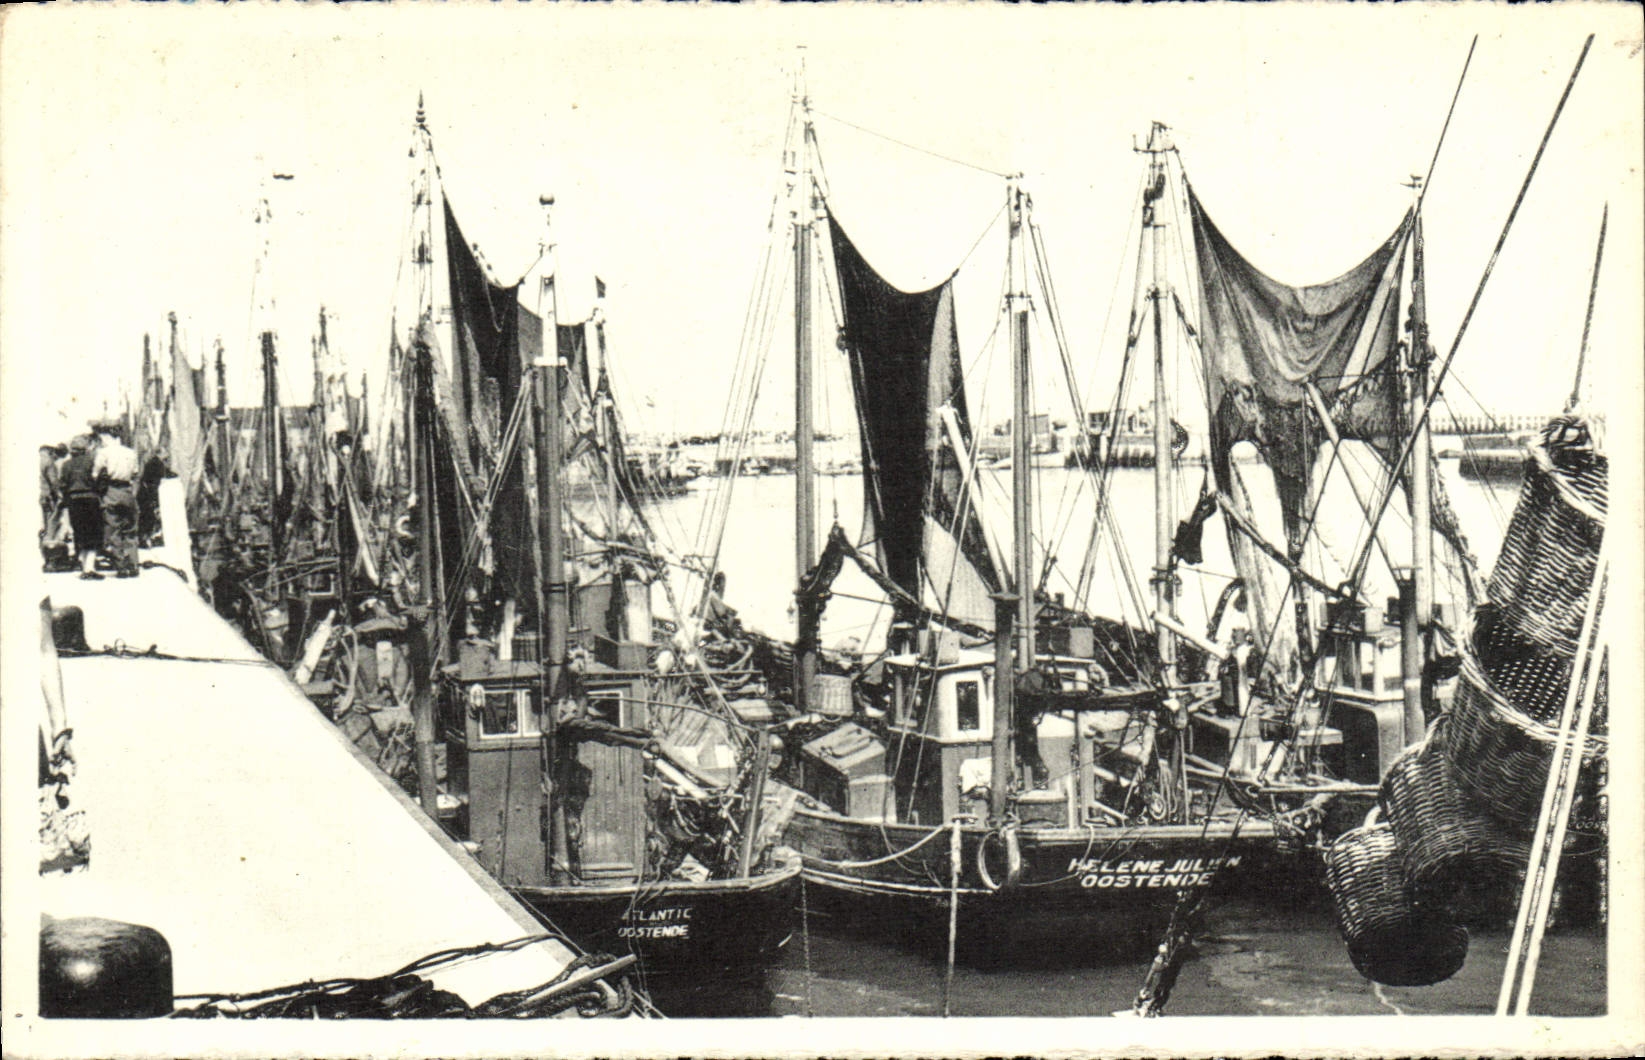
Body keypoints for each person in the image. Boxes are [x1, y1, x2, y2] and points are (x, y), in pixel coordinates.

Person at [92, 423, 140, 578]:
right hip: (127, 491)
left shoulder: (103, 452)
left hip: (111, 491)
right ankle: (133, 564)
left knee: (113, 529)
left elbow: (95, 474)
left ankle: (121, 567)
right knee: (130, 530)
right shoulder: (131, 452)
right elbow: (135, 473)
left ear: (107, 436)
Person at [60, 436, 103, 579]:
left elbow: (63, 485)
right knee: (93, 533)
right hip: (90, 498)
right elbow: (100, 479)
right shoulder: (91, 461)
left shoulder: (66, 465)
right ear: (85, 449)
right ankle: (90, 568)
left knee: (80, 532)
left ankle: (84, 567)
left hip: (74, 500)